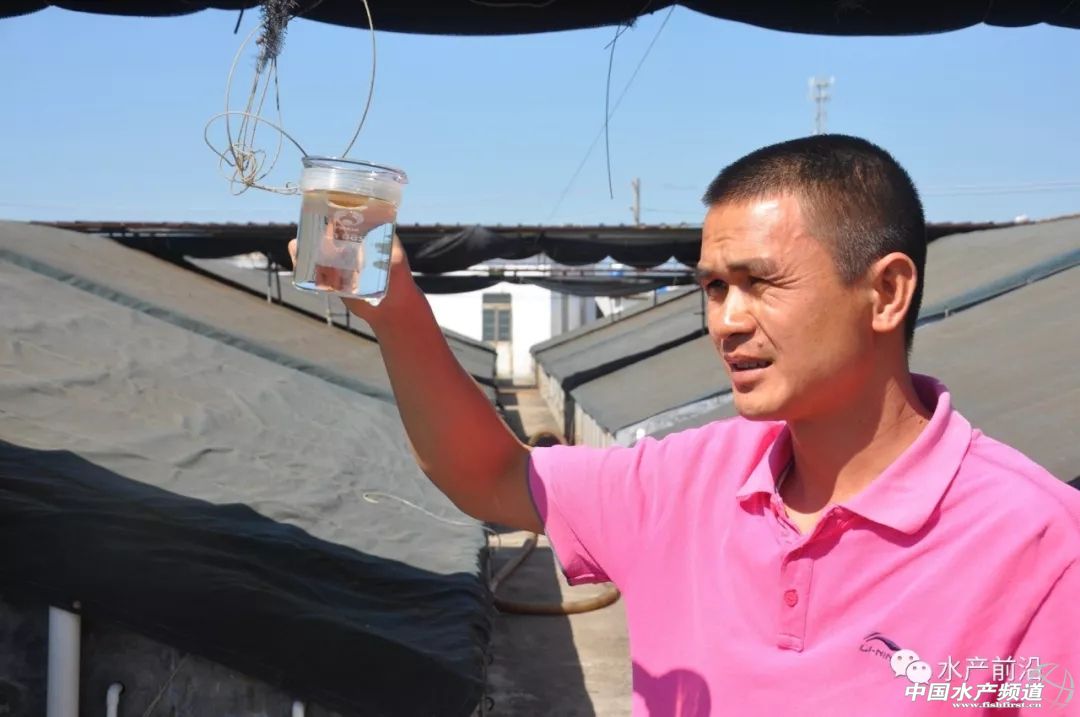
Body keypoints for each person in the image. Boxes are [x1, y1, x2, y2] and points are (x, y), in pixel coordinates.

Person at [290, 135, 1080, 716]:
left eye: (759, 282)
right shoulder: (686, 483)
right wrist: (395, 312)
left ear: (886, 293)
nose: (726, 320)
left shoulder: (1037, 545)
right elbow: (490, 474)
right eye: (713, 287)